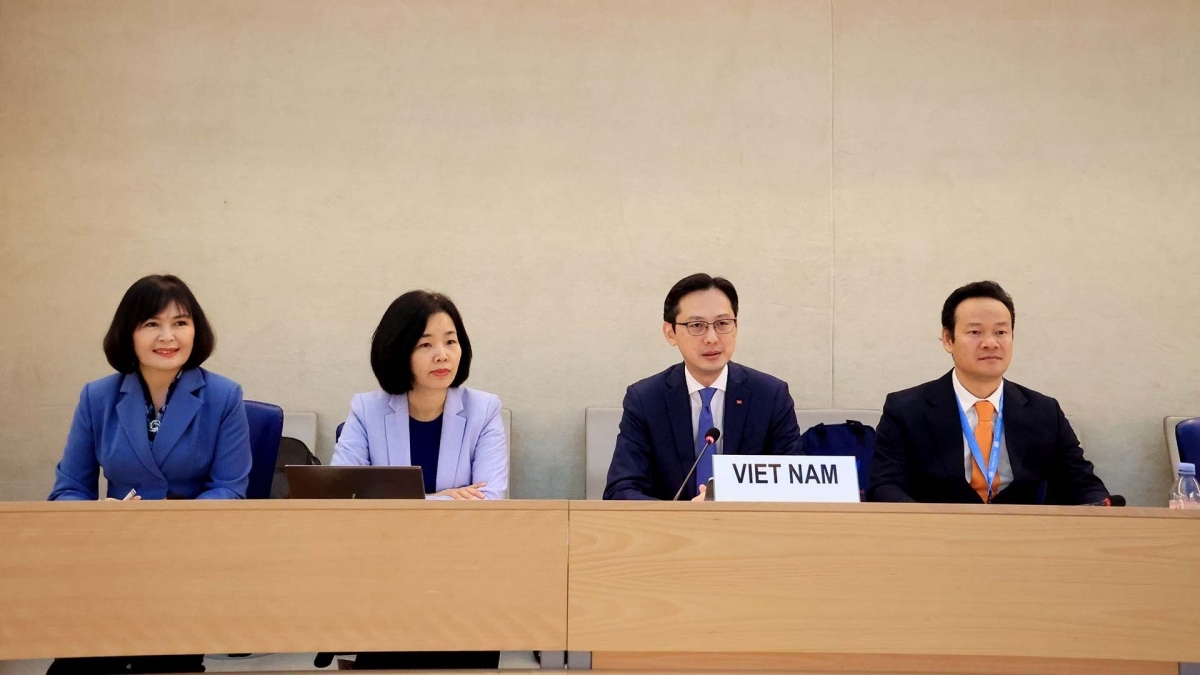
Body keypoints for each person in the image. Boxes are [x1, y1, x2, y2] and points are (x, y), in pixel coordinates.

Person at [47, 274, 251, 674]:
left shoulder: (224, 396)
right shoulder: (97, 396)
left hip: (187, 562)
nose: (167, 336)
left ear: (196, 330)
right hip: (111, 560)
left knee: (162, 661)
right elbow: (69, 489)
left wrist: (168, 524)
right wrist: (95, 515)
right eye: (151, 324)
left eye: (180, 322)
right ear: (130, 332)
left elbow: (230, 489)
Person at [868, 280, 1109, 505]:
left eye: (1001, 332)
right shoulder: (907, 409)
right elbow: (885, 486)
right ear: (948, 339)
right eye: (975, 332)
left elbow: (1081, 481)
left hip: (1021, 540)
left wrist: (1099, 504)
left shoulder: (1044, 411)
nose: (990, 343)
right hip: (937, 539)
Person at [604, 273, 801, 501]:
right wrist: (685, 516)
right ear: (671, 333)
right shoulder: (646, 400)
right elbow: (620, 491)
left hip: (748, 531)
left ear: (736, 327)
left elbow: (793, 487)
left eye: (722, 324)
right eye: (696, 325)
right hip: (672, 533)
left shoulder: (770, 396)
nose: (711, 338)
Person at [332, 290, 508, 501]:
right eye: (426, 345)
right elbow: (343, 495)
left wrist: (414, 500)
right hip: (385, 533)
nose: (442, 356)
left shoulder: (484, 409)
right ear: (398, 352)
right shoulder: (366, 410)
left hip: (460, 533)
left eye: (451, 342)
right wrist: (438, 498)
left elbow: (489, 498)